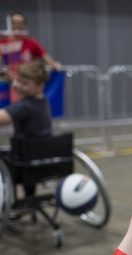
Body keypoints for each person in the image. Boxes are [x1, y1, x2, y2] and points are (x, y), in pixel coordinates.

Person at [0, 60, 52, 197]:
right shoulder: (42, 101)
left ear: (39, 85)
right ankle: (30, 198)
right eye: (19, 81)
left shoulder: (24, 106)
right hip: (40, 157)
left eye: (24, 83)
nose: (20, 86)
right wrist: (13, 81)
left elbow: (2, 118)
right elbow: (24, 88)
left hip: (22, 163)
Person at [0, 11, 61, 102]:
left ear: (24, 25)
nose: (17, 26)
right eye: (14, 23)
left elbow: (45, 57)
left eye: (20, 23)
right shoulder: (3, 43)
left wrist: (54, 64)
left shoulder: (32, 43)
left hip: (27, 84)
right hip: (9, 85)